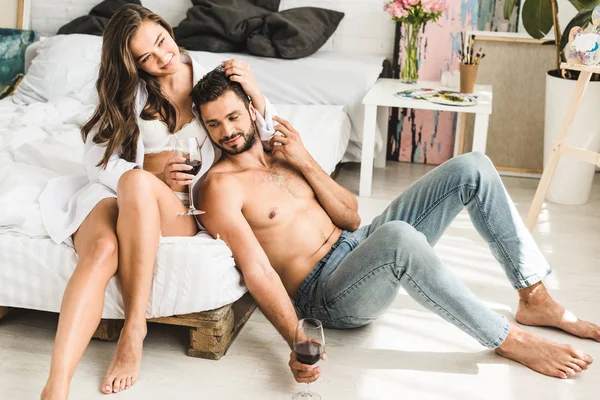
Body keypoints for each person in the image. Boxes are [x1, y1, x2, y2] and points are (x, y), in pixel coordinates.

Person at [192, 69, 598, 385]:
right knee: (399, 238)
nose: (227, 132)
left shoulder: (283, 150)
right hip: (326, 294)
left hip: (356, 242)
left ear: (251, 107)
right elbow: (258, 272)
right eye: (213, 125)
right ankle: (508, 340)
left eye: (232, 116)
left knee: (472, 166)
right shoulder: (219, 188)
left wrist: (303, 160)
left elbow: (350, 216)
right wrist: (296, 339)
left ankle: (535, 297)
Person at [39, 5, 277, 399]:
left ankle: (134, 328)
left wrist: (256, 93)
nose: (161, 58)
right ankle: (56, 385)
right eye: (145, 57)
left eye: (162, 43)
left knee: (135, 184)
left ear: (168, 30)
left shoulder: (215, 77)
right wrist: (149, 169)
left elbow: (260, 135)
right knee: (100, 249)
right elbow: (100, 162)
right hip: (117, 191)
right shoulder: (127, 90)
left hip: (177, 207)